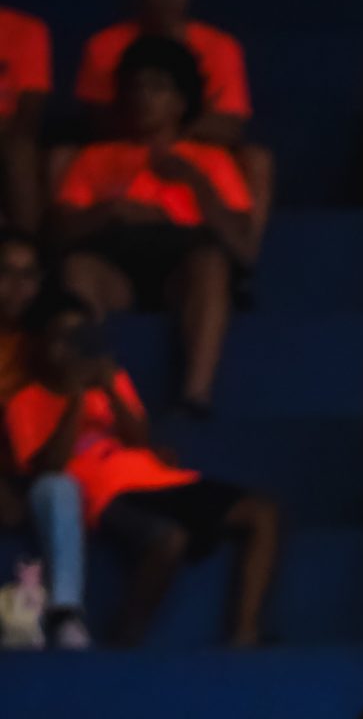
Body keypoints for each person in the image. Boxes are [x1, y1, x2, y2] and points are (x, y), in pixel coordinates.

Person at [4, 292, 278, 645]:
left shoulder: (112, 379)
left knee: (264, 512)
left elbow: (140, 440)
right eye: (63, 338)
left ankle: (245, 634)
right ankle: (126, 640)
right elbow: (50, 468)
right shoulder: (25, 401)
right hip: (102, 492)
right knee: (169, 540)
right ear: (41, 343)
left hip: (157, 479)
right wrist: (76, 397)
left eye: (81, 336)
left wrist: (109, 389)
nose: (73, 348)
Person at [51, 34, 260, 411]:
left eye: (157, 88)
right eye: (137, 87)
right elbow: (61, 234)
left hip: (180, 276)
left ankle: (196, 394)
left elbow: (242, 247)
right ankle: (89, 389)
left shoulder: (212, 160)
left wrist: (196, 183)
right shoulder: (94, 158)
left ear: (181, 101)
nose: (144, 97)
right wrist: (111, 211)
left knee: (211, 263)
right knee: (77, 268)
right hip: (117, 272)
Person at [74, 0, 274, 242]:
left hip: (199, 150)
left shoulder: (221, 46)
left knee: (258, 159)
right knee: (61, 157)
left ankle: (243, 256)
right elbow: (98, 122)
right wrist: (154, 129)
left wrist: (167, 133)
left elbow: (230, 126)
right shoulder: (103, 45)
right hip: (125, 143)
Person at [0, 232, 85, 641]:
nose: (17, 287)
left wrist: (74, 392)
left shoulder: (49, 343)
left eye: (28, 275)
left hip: (30, 470)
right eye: (5, 273)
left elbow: (52, 460)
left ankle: (64, 613)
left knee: (60, 488)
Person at [0, 0, 50, 231]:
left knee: (21, 149)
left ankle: (26, 245)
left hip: (6, 135)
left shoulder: (27, 30)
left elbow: (32, 108)